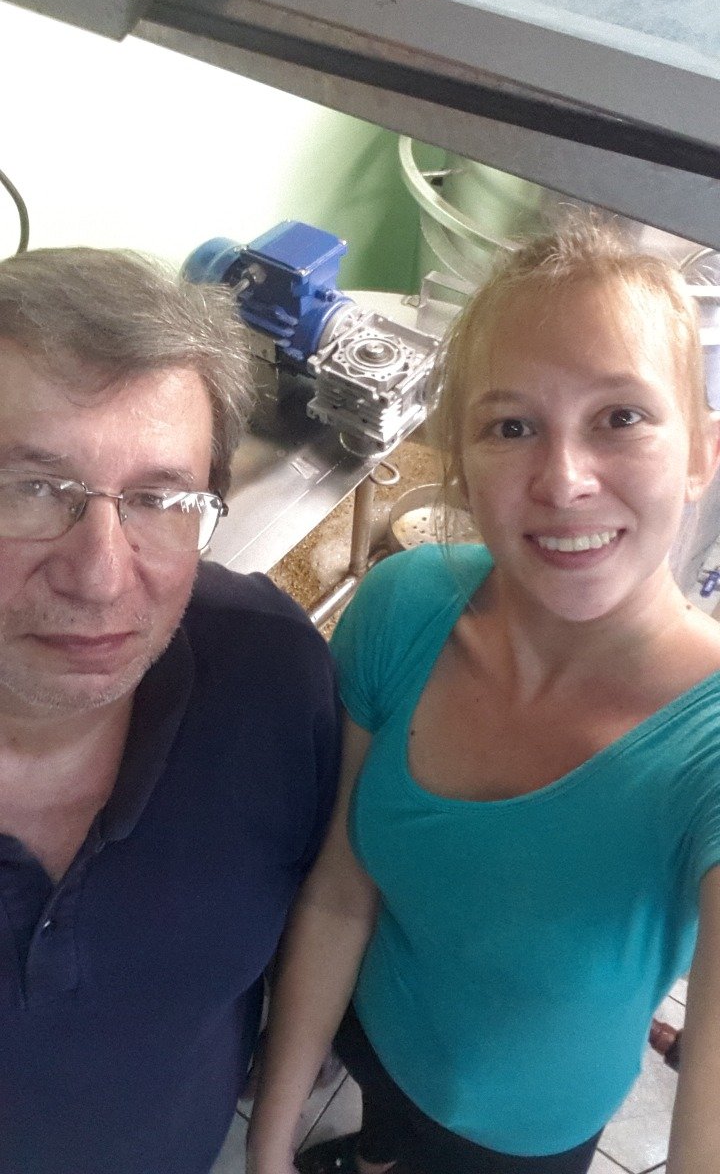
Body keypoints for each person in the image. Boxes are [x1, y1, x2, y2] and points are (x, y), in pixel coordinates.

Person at [247, 222, 720, 1174]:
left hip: (524, 1136)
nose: (564, 480)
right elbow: (342, 891)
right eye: (512, 426)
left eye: (621, 416)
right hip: (377, 1030)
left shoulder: (703, 744)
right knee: (383, 1145)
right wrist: (268, 1148)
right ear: (458, 465)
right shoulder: (403, 609)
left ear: (701, 452)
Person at [0, 247, 340, 1174]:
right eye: (31, 489)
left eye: (159, 499)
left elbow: (327, 909)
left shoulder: (271, 678)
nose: (101, 576)